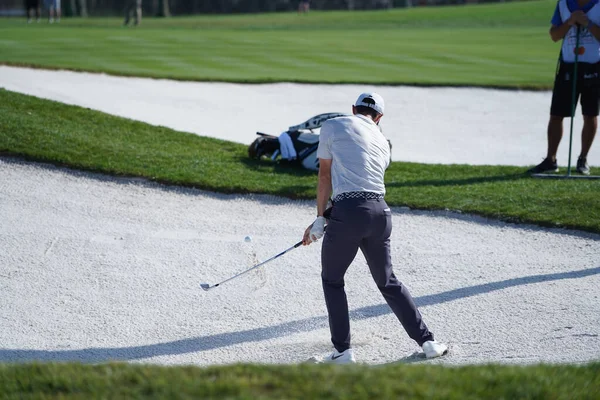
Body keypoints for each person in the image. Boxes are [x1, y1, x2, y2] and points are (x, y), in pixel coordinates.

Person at [302, 93, 448, 364]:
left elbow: (325, 176)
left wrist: (321, 217)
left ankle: (343, 352)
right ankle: (428, 342)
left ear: (353, 109)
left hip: (348, 213)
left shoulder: (332, 125)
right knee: (388, 281)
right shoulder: (383, 141)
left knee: (332, 280)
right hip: (381, 213)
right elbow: (364, 183)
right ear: (379, 117)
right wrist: (328, 216)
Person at [529, 0, 600, 175]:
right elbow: (554, 35)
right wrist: (570, 21)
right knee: (556, 115)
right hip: (568, 66)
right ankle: (550, 160)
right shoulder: (563, 4)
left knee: (590, 115)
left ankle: (583, 160)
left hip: (594, 67)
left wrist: (587, 23)